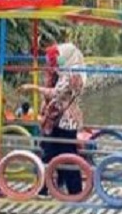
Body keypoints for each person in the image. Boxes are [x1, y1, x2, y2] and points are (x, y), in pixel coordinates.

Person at [21, 42, 86, 196]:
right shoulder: (70, 71)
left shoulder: (72, 74)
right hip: (61, 119)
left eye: (60, 58)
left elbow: (56, 93)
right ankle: (48, 188)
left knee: (64, 156)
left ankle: (73, 191)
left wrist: (33, 88)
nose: (58, 62)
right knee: (53, 154)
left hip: (64, 121)